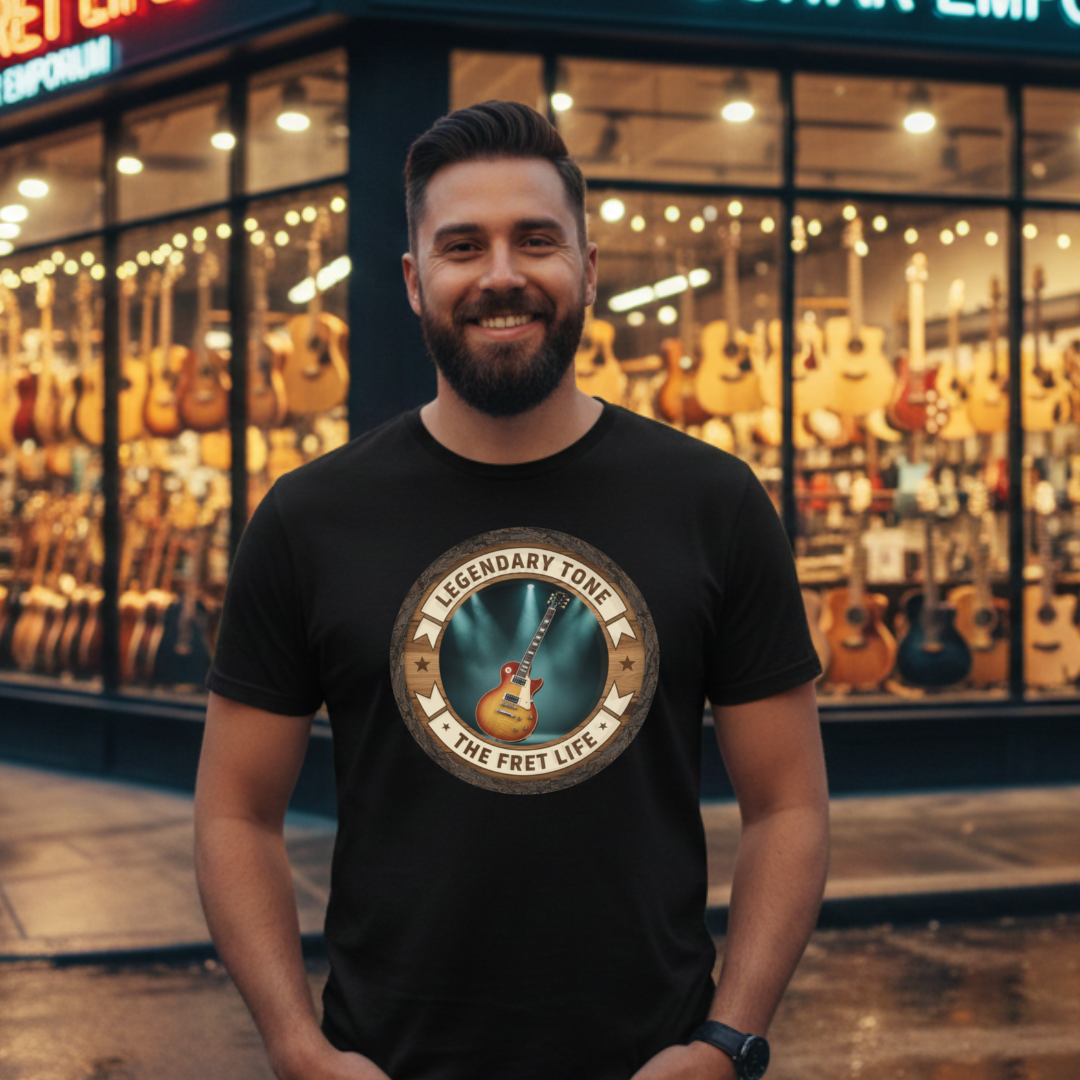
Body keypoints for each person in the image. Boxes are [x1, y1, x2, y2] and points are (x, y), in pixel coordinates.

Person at [194, 100, 829, 1080]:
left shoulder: (714, 501)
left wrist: (726, 1042)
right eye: (463, 246)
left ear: (587, 268)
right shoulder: (308, 517)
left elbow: (788, 805)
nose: (501, 274)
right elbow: (234, 813)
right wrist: (295, 1047)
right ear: (415, 280)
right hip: (387, 1061)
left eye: (536, 240)